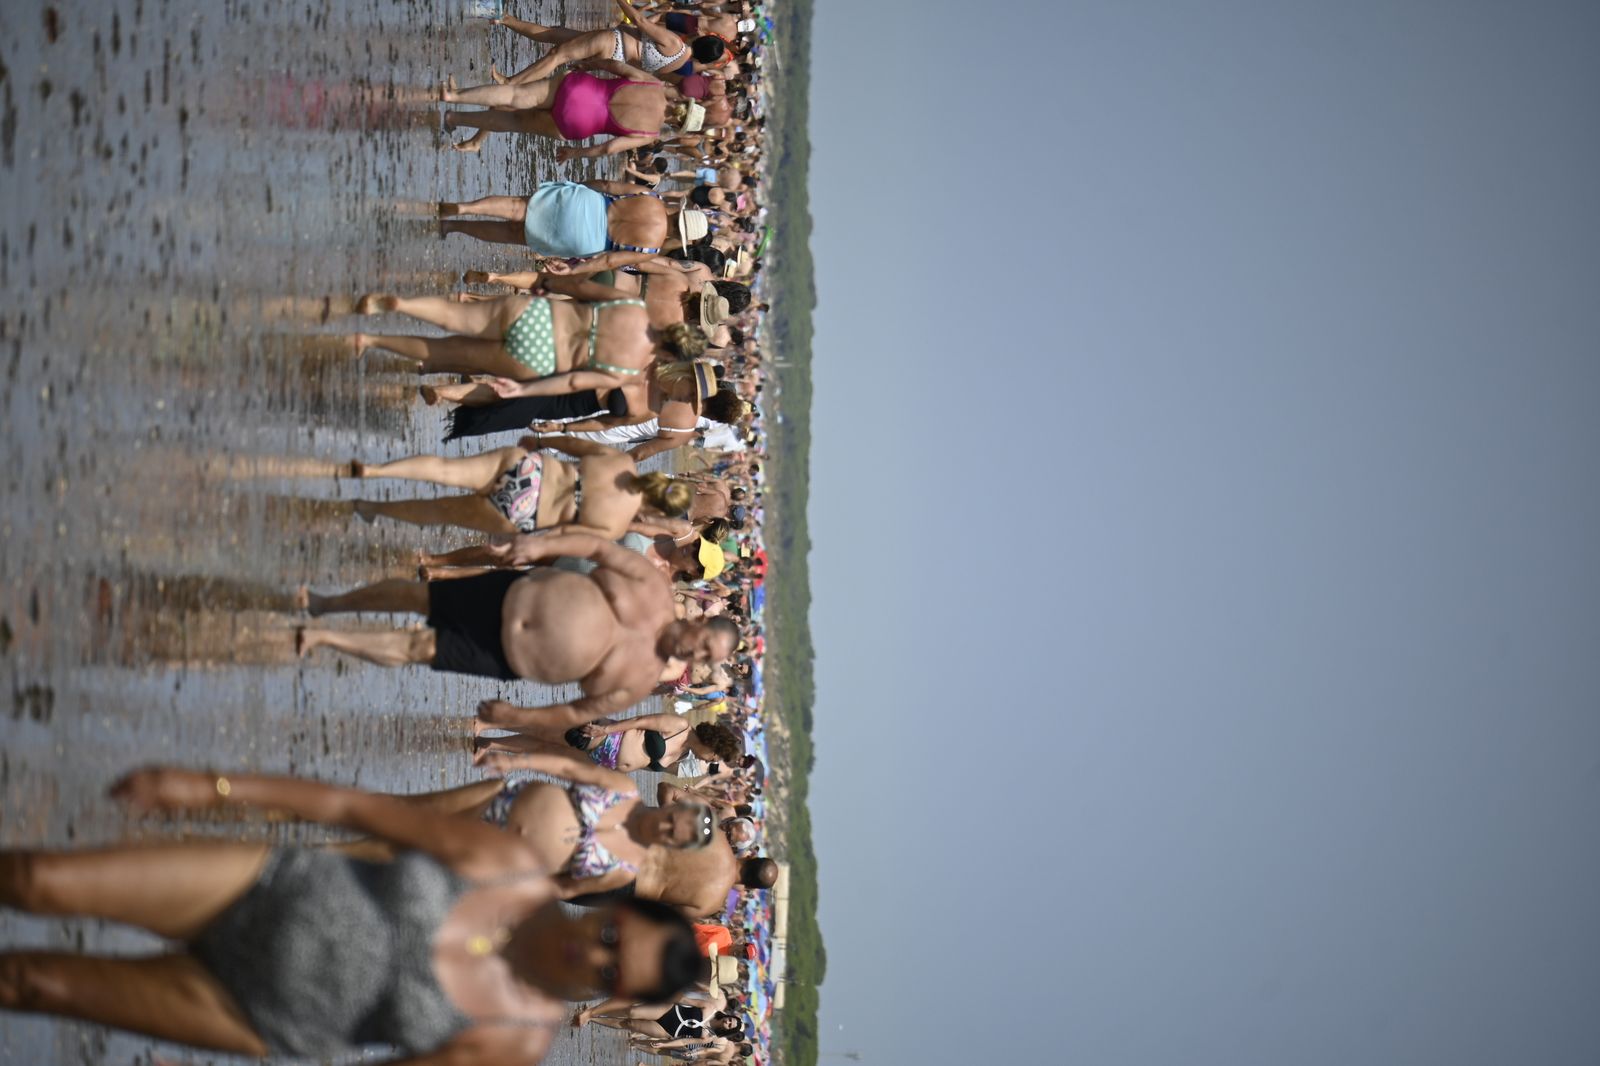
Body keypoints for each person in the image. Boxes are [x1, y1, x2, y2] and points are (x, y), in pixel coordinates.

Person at [0, 766, 703, 1061]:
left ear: (615, 998)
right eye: (613, 936)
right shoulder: (508, 868)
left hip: (255, 1014)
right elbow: (356, 809)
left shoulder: (515, 1040)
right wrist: (207, 788)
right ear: (606, 912)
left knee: (31, 986)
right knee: (36, 880)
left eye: (613, 975)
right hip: (260, 887)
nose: (596, 956)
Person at [296, 532, 740, 728]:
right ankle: (331, 603)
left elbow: (577, 712)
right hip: (512, 593)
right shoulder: (652, 587)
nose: (695, 657)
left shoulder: (643, 678)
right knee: (417, 598)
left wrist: (518, 716)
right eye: (704, 647)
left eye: (705, 661)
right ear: (700, 623)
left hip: (508, 656)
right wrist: (541, 544)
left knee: (419, 647)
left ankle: (327, 638)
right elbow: (597, 547)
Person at [345, 435, 692, 539]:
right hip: (524, 512)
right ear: (658, 512)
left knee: (445, 468)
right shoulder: (616, 526)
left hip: (531, 469)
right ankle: (373, 508)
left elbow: (572, 445)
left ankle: (375, 470)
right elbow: (562, 538)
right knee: (438, 511)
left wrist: (540, 439)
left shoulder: (623, 464)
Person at [349, 276, 657, 385]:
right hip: (541, 358)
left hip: (541, 315)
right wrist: (526, 389)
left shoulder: (633, 306)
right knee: (445, 351)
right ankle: (371, 339)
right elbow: (575, 382)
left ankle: (401, 304)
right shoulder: (628, 369)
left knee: (453, 315)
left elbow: (581, 286)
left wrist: (547, 283)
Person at [441, 62, 671, 156]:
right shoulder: (650, 134)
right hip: (579, 123)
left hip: (582, 89)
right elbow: (609, 148)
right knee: (515, 123)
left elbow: (617, 66)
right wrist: (576, 153)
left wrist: (589, 63)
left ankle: (454, 96)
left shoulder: (654, 85)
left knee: (515, 95)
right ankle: (455, 118)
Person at [440, 180, 669, 270]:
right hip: (586, 239)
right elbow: (609, 260)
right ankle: (454, 227)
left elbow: (608, 185)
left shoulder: (653, 197)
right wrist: (572, 270)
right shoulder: (651, 250)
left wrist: (581, 187)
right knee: (512, 235)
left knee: (516, 206)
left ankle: (464, 207)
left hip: (589, 204)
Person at [474, 715, 745, 777]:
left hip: (602, 761)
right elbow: (642, 720)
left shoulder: (683, 756)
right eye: (714, 756)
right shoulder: (679, 725)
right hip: (607, 738)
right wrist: (604, 728)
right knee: (544, 731)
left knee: (541, 747)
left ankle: (491, 743)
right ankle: (486, 722)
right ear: (713, 745)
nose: (710, 760)